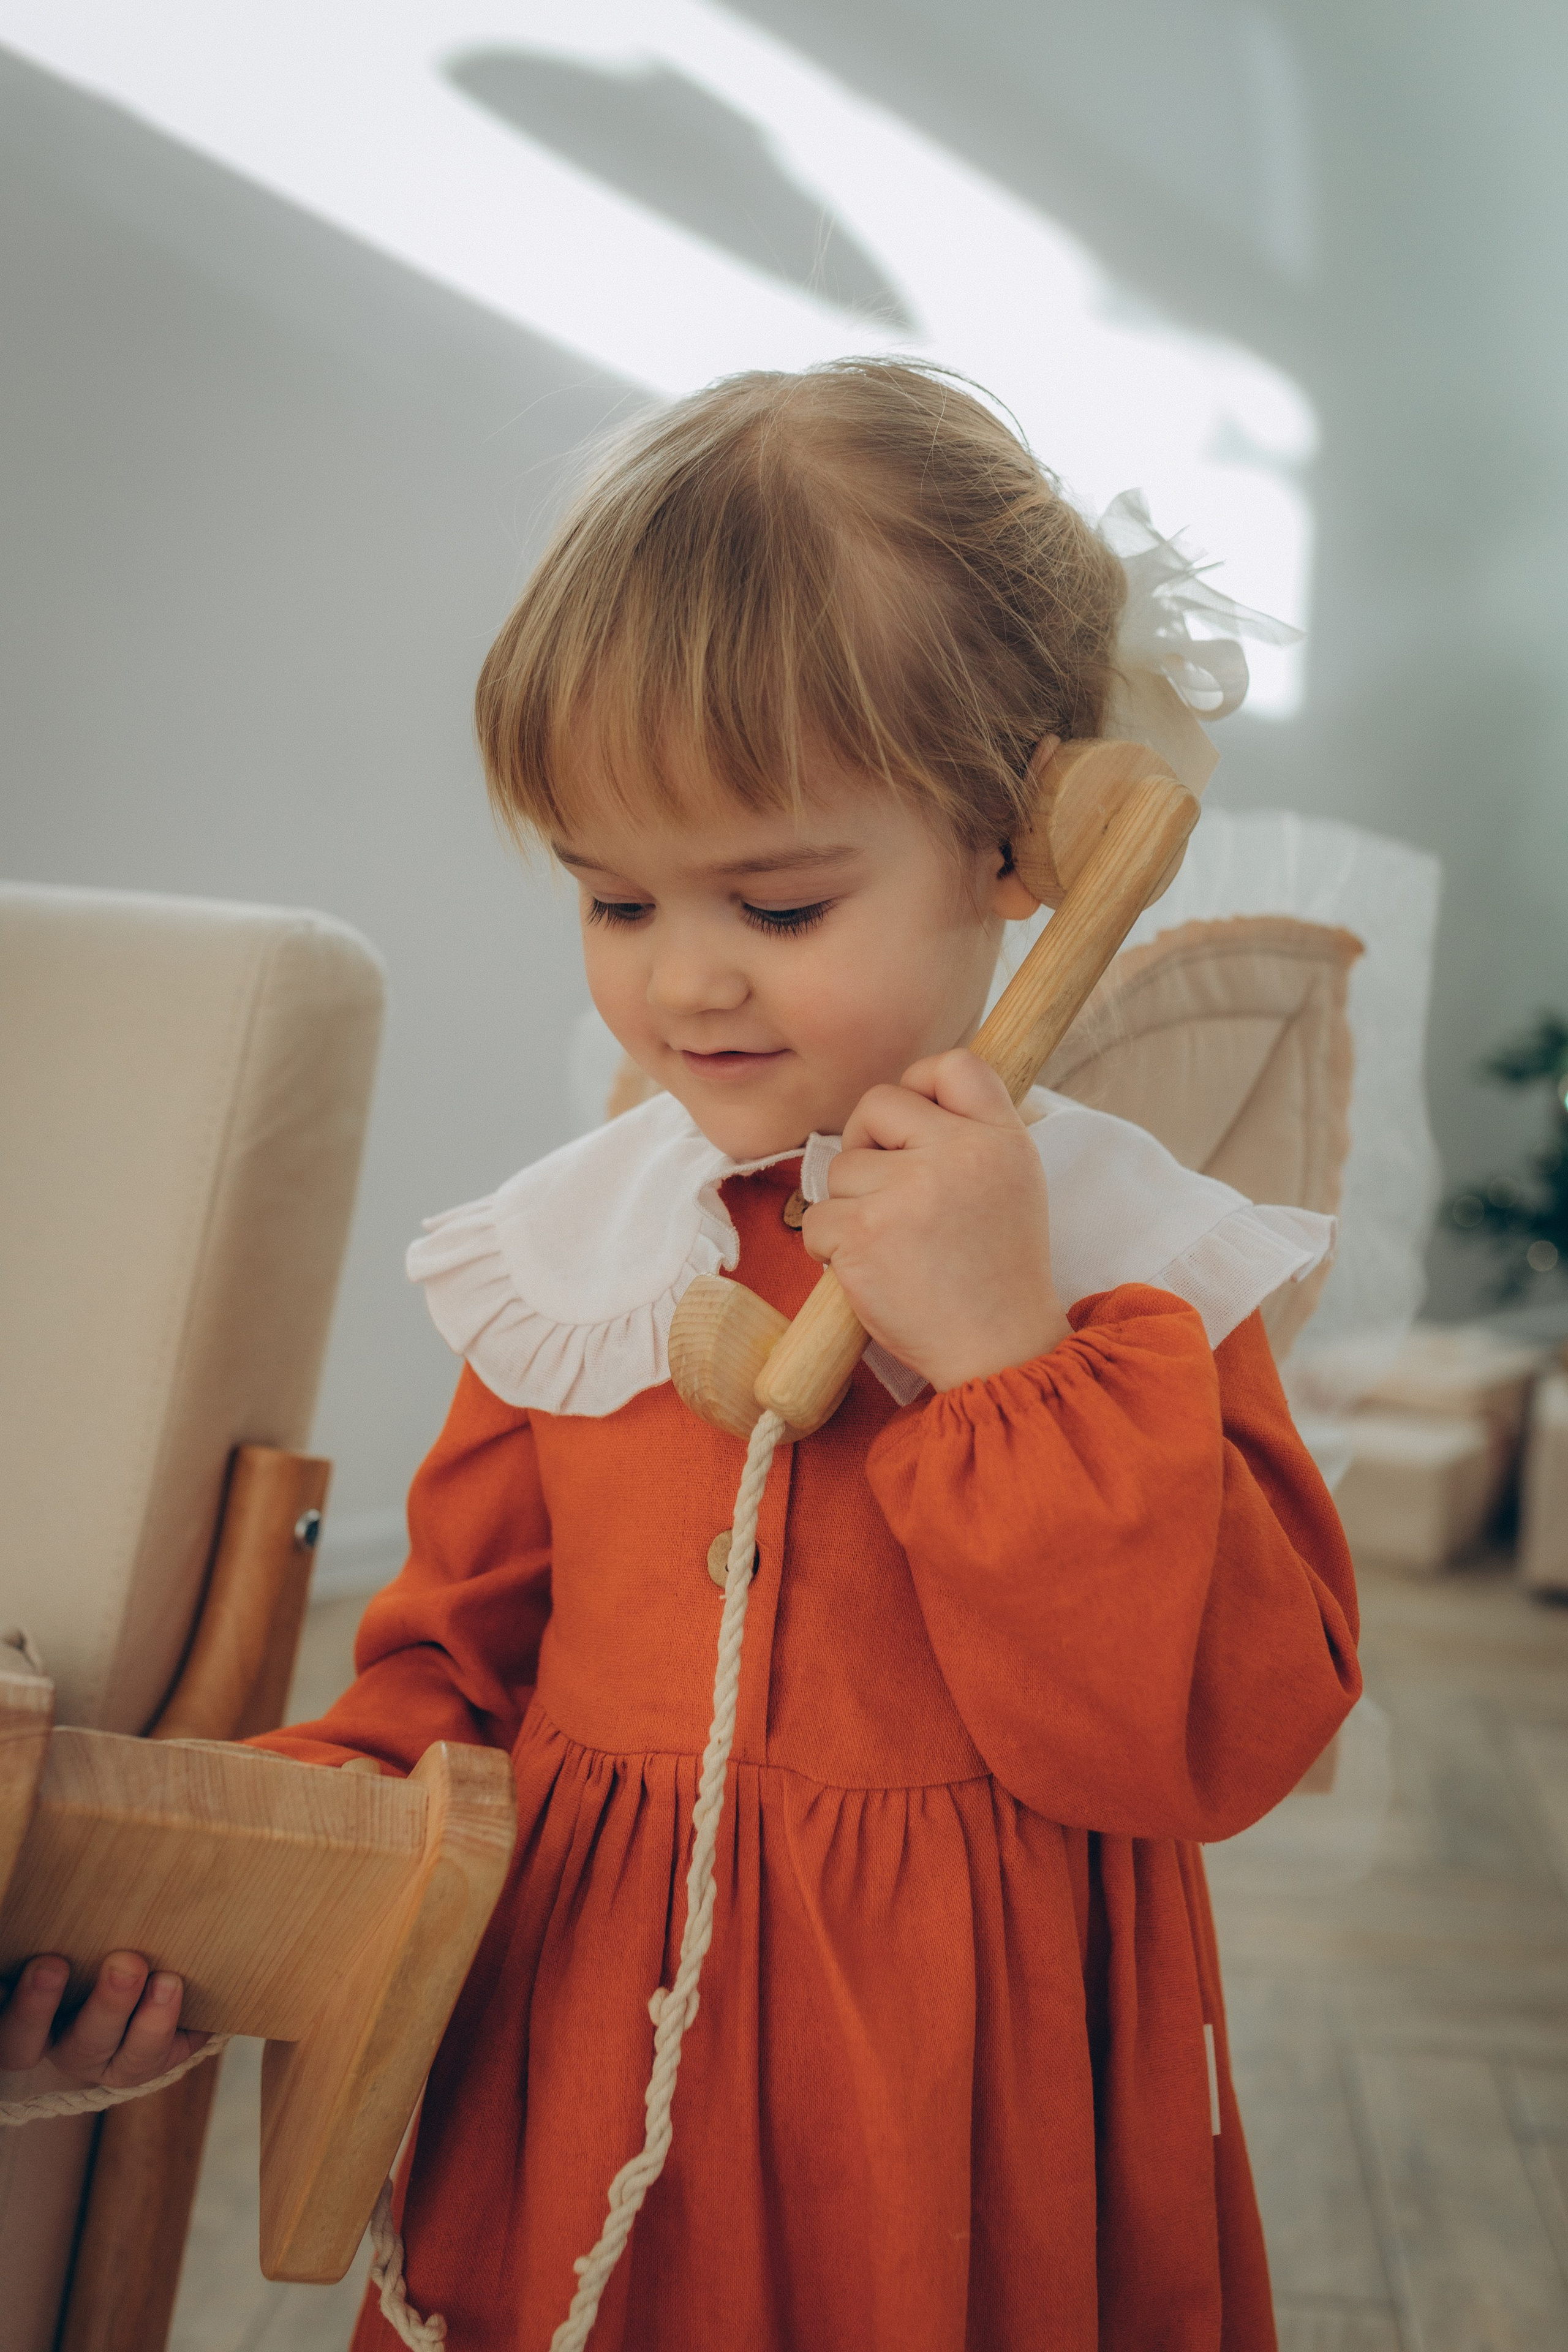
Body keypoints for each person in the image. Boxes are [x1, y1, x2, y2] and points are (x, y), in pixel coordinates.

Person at [1, 360, 1359, 2351]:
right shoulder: (577, 1262)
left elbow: (1219, 1741)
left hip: (964, 2126)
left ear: (1029, 841)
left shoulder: (1129, 1273)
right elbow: (442, 1693)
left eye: (782, 898)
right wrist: (195, 1911)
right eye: (613, 896)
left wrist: (1001, 1364)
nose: (683, 976)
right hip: (579, 2101)